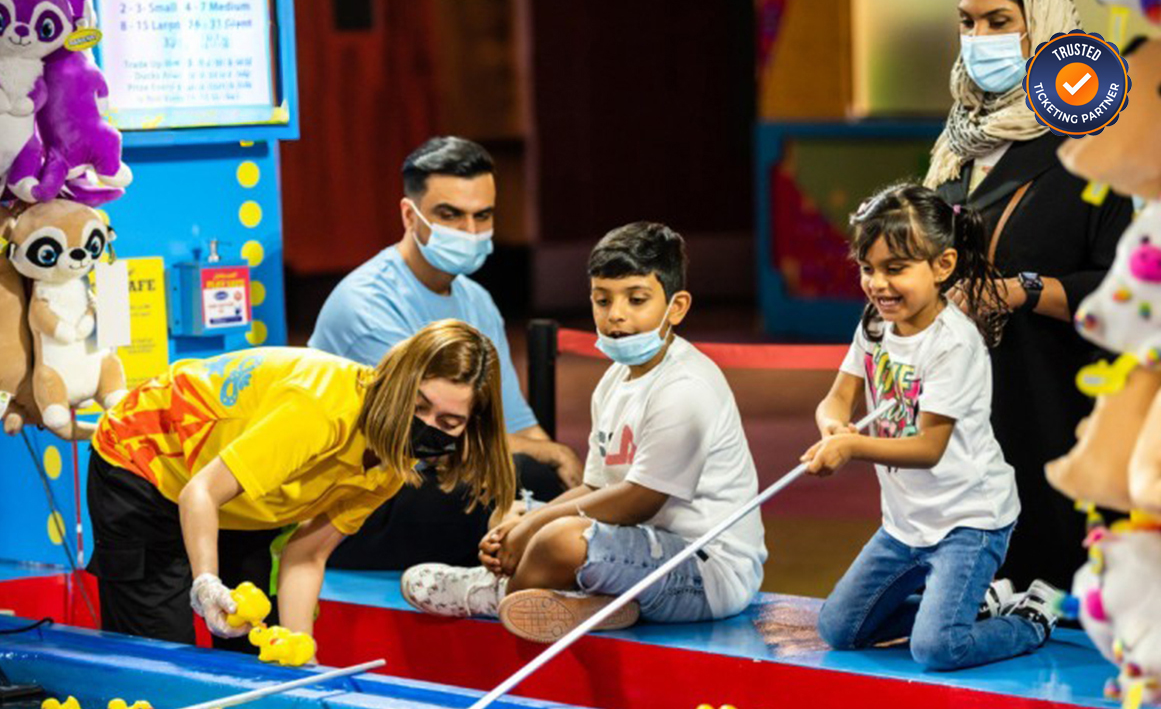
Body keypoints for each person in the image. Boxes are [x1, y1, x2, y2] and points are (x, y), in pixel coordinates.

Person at [400, 222, 768, 643]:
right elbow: (595, 485)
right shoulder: (614, 380)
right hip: (642, 549)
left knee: (558, 537)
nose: (616, 314)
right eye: (602, 299)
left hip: (705, 573)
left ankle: (493, 592)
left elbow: (637, 502)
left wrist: (538, 526)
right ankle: (592, 605)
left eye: (637, 299)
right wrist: (524, 522)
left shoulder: (686, 386)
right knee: (515, 512)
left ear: (677, 306)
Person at [86, 320, 514, 652]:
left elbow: (306, 555)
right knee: (163, 654)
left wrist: (300, 655)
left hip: (240, 502)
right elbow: (201, 492)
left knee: (254, 650)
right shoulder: (319, 410)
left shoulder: (390, 464)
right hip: (144, 462)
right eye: (418, 407)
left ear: (470, 428)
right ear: (399, 385)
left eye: (448, 422)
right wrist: (206, 582)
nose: (426, 427)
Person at [928, 0, 1131, 590]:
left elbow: (1130, 289)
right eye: (967, 22)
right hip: (962, 406)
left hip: (1053, 402)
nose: (980, 38)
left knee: (1048, 584)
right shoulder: (958, 141)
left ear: (1042, 25)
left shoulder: (1095, 143)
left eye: (999, 21)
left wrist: (1024, 290)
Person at [808, 183, 1056, 671]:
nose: (878, 284)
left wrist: (853, 447)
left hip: (969, 520)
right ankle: (974, 604)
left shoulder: (953, 344)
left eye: (895, 269)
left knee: (937, 649)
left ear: (942, 266)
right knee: (838, 629)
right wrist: (832, 427)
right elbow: (837, 398)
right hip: (906, 524)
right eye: (867, 268)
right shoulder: (874, 326)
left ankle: (1031, 617)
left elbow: (930, 447)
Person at [309, 136, 582, 570]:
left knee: (546, 482)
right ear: (409, 215)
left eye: (482, 216)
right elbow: (424, 441)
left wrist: (567, 482)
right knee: (487, 494)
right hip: (361, 499)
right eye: (450, 215)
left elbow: (519, 429)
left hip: (444, 470)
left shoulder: (477, 301)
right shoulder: (367, 304)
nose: (470, 232)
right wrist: (550, 459)